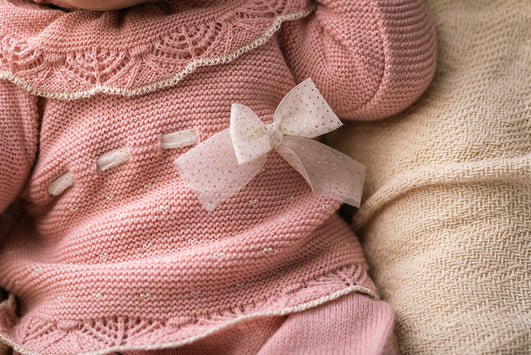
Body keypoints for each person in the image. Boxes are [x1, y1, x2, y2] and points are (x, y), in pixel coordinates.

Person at [0, 0, 436, 353]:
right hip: (89, 319)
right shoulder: (16, 48)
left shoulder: (259, 11)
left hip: (294, 291)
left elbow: (379, 78)